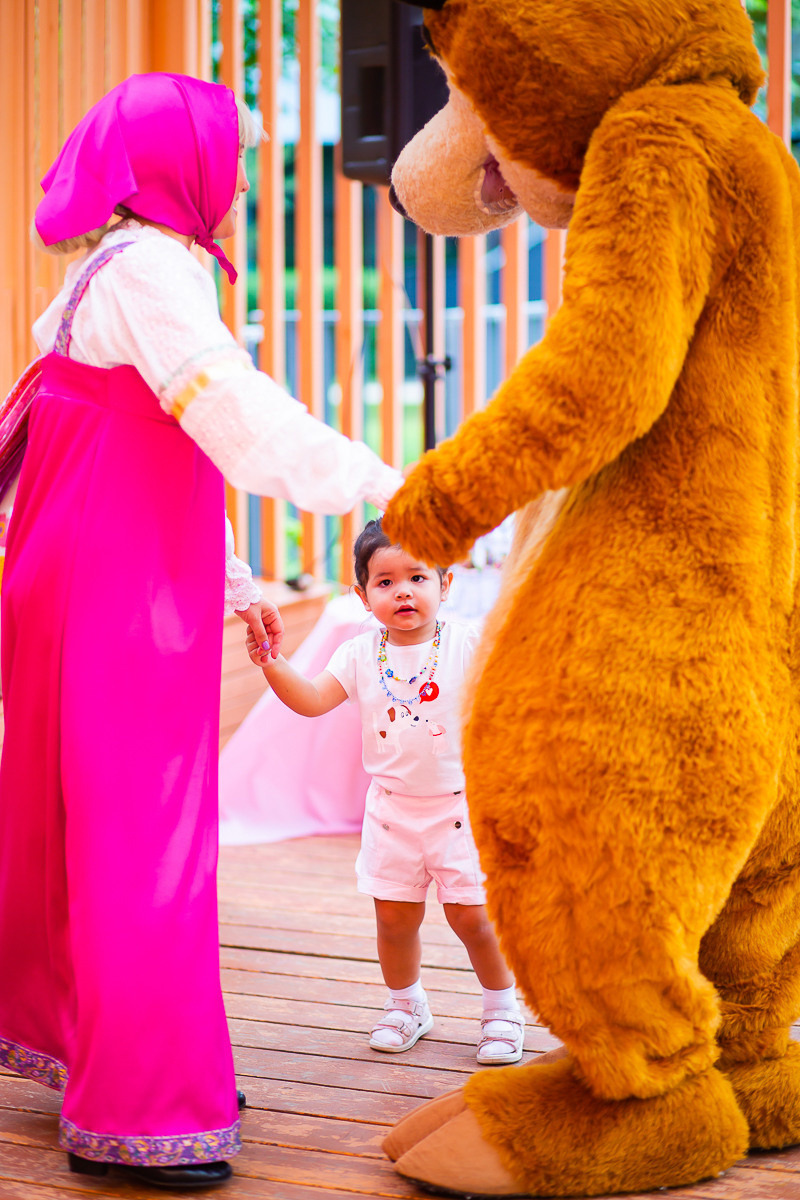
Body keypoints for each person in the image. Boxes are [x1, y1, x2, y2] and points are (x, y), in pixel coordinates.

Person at [0, 73, 402, 1190]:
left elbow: (132, 442)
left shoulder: (106, 268)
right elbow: (233, 417)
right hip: (119, 592)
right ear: (185, 168)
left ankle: (123, 1054)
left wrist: (228, 578)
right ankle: (139, 1101)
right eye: (235, 162)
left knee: (95, 823)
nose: (243, 185)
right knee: (143, 834)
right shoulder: (158, 274)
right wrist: (391, 488)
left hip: (81, 577)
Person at [246, 518, 524, 1063]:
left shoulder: (470, 644)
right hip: (392, 812)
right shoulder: (358, 653)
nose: (403, 592)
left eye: (418, 578)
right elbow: (310, 699)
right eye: (385, 581)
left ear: (447, 584)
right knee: (394, 918)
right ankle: (407, 1004)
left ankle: (501, 1009)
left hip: (461, 808)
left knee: (473, 917)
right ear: (362, 594)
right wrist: (271, 663)